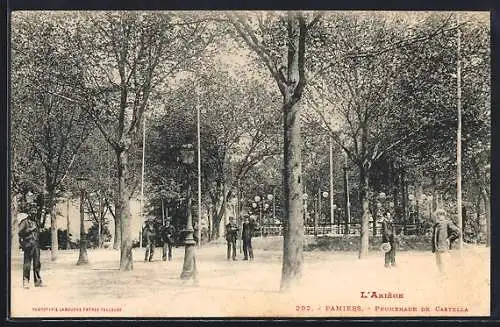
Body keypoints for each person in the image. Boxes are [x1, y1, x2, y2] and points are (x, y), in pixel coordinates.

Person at [18, 198, 43, 289]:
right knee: (27, 264)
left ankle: (38, 282)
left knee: (37, 264)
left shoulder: (36, 221)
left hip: (36, 245)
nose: (34, 212)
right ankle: (26, 282)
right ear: (29, 212)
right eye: (32, 210)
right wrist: (30, 230)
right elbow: (19, 232)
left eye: (35, 210)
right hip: (28, 245)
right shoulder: (24, 222)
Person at [432, 208, 460, 273]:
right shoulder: (436, 225)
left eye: (441, 214)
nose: (439, 216)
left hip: (444, 247)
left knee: (445, 263)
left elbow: (457, 231)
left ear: (444, 215)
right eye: (438, 215)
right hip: (437, 248)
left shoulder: (447, 223)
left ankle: (447, 276)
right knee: (438, 263)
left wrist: (449, 239)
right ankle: (441, 276)